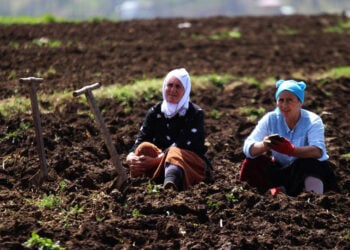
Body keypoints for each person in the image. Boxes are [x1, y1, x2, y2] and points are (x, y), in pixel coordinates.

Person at [239, 79, 336, 196]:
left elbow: (318, 151)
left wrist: (291, 150)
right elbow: (248, 147)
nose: (284, 105)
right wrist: (265, 145)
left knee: (311, 164)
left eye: (290, 100)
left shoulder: (312, 120)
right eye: (281, 100)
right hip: (281, 168)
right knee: (253, 161)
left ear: (300, 102)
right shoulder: (271, 119)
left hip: (302, 171)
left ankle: (313, 200)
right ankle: (254, 196)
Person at [126, 68, 211, 191]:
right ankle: (137, 186)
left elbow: (182, 144)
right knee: (143, 148)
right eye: (170, 85)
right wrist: (131, 156)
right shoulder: (155, 112)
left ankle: (171, 187)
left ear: (185, 91)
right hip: (160, 160)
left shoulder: (194, 113)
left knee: (174, 152)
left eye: (178, 86)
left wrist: (155, 161)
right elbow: (142, 138)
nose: (172, 90)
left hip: (188, 162)